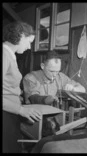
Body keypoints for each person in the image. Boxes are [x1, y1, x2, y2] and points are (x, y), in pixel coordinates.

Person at [3, 21, 42, 153]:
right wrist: (20, 110)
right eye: (29, 41)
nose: (29, 47)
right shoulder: (4, 54)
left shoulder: (10, 55)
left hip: (10, 110)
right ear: (20, 35)